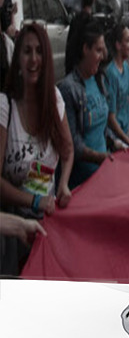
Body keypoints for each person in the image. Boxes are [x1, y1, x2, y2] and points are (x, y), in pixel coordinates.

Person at [1, 24, 73, 274]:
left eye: (39, 51)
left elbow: (68, 150)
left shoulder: (54, 98)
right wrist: (34, 202)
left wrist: (63, 184)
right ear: (17, 59)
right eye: (27, 51)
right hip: (12, 232)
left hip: (49, 224)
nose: (33, 59)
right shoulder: (4, 106)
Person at [57, 18, 110, 187]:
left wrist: (116, 143)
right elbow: (73, 145)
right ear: (85, 49)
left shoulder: (99, 79)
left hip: (101, 176)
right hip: (79, 184)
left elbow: (102, 127)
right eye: (98, 50)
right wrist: (100, 157)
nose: (102, 56)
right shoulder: (68, 89)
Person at [64, 0, 96, 75]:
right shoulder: (93, 23)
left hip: (74, 69)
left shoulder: (75, 21)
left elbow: (69, 47)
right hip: (86, 71)